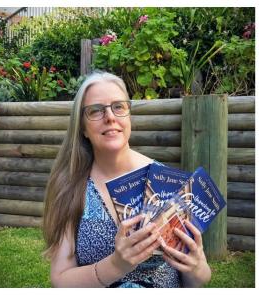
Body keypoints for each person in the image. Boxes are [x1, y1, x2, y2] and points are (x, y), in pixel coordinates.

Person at [42, 71, 211, 287]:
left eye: (118, 107)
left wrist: (196, 269)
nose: (110, 117)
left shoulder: (166, 182)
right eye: (95, 110)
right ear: (82, 127)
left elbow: (197, 278)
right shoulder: (70, 186)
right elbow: (60, 280)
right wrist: (115, 265)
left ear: (128, 115)